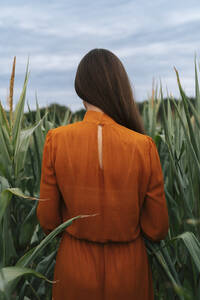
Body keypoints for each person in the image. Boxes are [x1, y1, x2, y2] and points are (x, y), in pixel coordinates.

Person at [37, 48, 169, 300]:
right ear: (118, 87)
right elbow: (157, 228)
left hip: (74, 269)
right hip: (129, 272)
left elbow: (48, 221)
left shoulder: (56, 140)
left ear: (81, 88)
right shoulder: (143, 146)